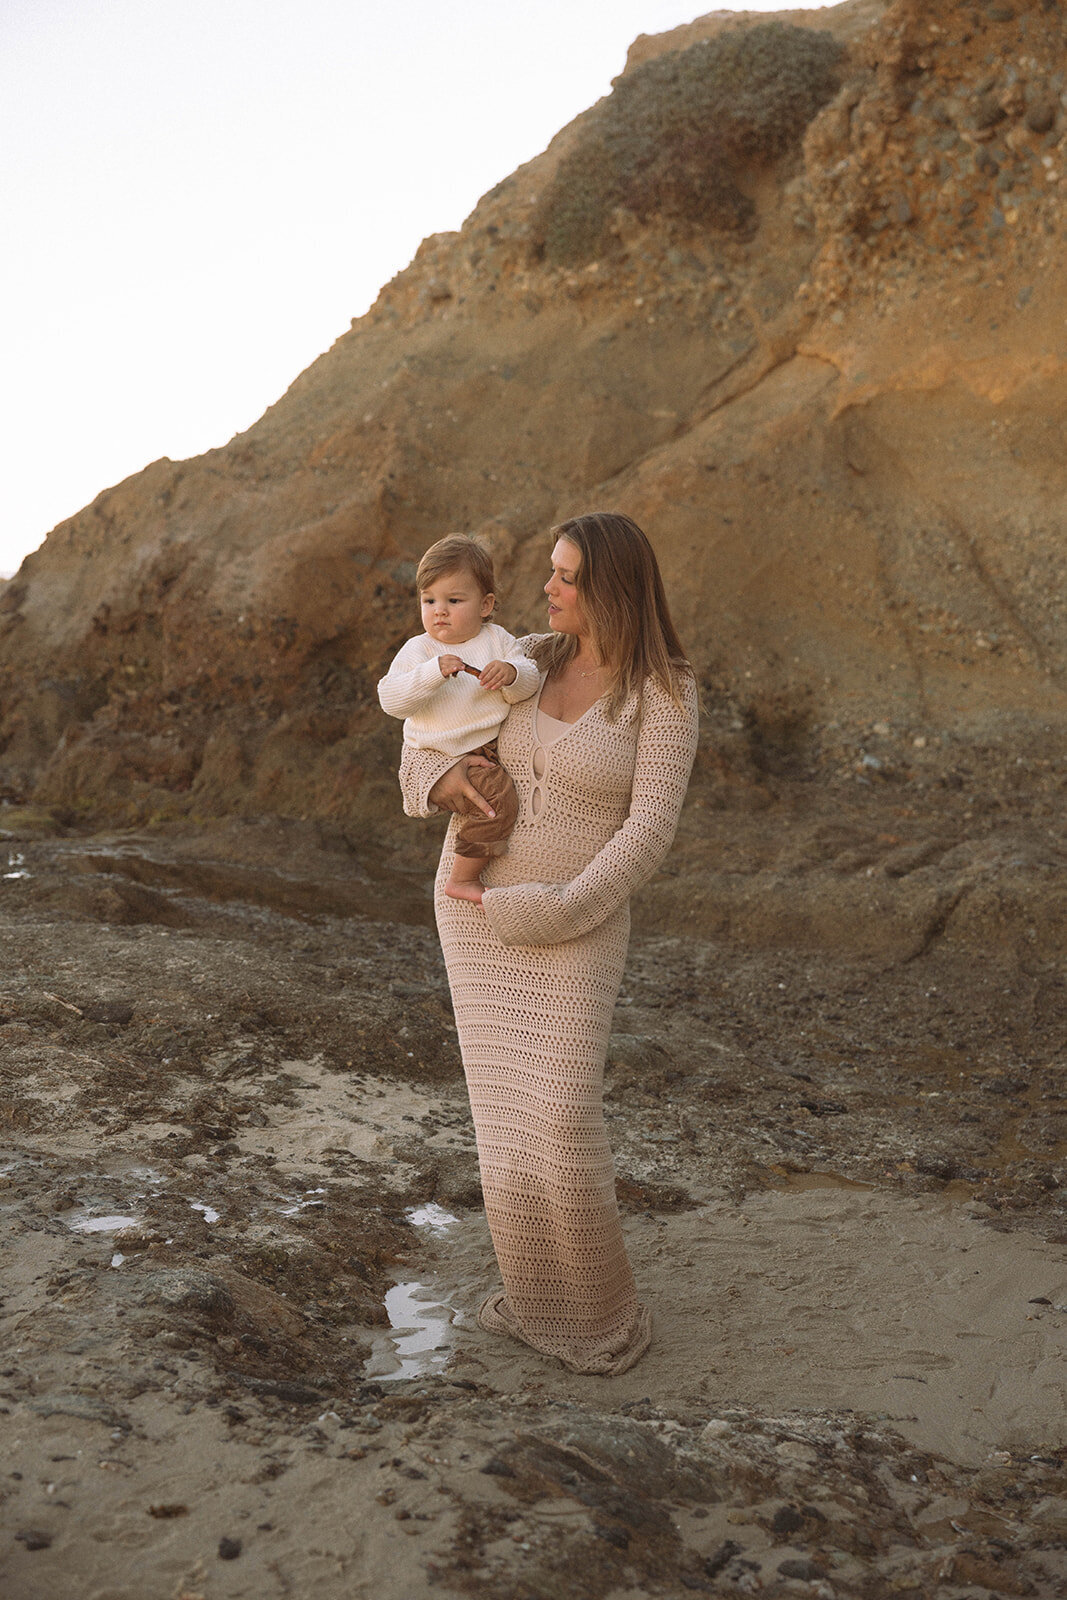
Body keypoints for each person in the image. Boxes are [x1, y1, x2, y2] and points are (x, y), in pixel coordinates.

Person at [398, 512, 699, 1374]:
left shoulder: (663, 689)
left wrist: (557, 906)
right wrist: (444, 779)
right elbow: (422, 741)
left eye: (565, 575)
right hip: (472, 908)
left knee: (561, 1118)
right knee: (503, 1124)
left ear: (610, 585)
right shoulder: (524, 654)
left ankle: (598, 1318)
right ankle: (534, 1303)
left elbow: (648, 831)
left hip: (576, 920)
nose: (547, 588)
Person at [377, 535, 540, 900]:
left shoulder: (498, 641)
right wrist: (432, 673)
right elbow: (391, 699)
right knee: (499, 803)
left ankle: (493, 867)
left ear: (485, 605)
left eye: (454, 600)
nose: (439, 611)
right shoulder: (419, 649)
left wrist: (511, 674)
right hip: (440, 755)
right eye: (429, 600)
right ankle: (462, 878)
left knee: (504, 802)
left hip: (488, 749)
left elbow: (529, 679)